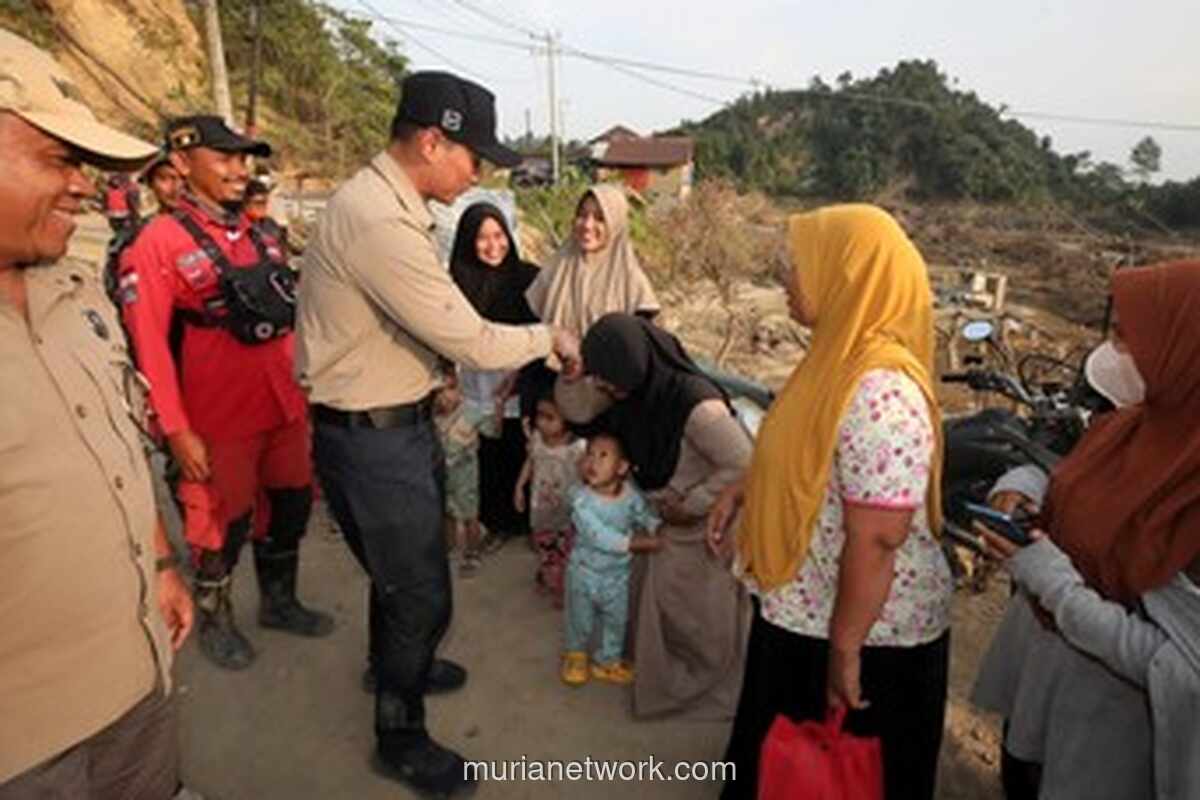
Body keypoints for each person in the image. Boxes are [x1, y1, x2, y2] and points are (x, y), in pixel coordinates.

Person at [295, 70, 580, 796]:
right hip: (372, 440)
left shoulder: (389, 206)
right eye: (473, 157)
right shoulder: (379, 223)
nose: (477, 173)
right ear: (432, 141)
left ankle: (392, 662)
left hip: (384, 422)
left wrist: (430, 372)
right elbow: (475, 340)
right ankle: (401, 732)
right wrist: (551, 338)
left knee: (400, 580)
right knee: (422, 595)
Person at [0, 29, 197, 799]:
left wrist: (157, 559)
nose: (85, 187)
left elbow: (114, 442)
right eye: (60, 159)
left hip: (137, 678)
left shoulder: (75, 289)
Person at [712, 205, 951, 800]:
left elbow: (878, 538)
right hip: (806, 607)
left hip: (863, 635)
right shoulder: (834, 361)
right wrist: (749, 486)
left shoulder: (881, 392)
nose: (788, 280)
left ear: (846, 276)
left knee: (843, 775)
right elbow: (807, 454)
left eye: (800, 265)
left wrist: (845, 652)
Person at [973, 260, 1200, 800]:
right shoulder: (1128, 426)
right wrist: (1023, 484)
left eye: (1129, 335)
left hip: (1113, 742)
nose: (1112, 349)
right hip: (1046, 696)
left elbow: (1178, 668)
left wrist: (1054, 584)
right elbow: (1067, 475)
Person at [119, 114, 332, 671]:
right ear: (183, 164)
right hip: (217, 414)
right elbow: (150, 349)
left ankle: (279, 601)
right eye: (226, 158)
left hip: (283, 402)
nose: (241, 170)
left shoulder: (261, 233)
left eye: (245, 159)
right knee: (221, 522)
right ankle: (216, 618)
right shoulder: (156, 245)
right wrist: (176, 429)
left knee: (289, 504)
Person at [557, 313, 754, 719]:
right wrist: (575, 374)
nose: (606, 388)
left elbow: (743, 463)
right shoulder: (625, 389)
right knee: (660, 608)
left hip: (703, 522)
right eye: (602, 379)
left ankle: (703, 687)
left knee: (697, 619)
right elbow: (577, 411)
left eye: (610, 380)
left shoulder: (696, 405)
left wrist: (692, 505)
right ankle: (664, 677)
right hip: (664, 515)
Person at [449, 202, 540, 542]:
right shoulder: (455, 283)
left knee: (521, 450)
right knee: (488, 455)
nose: (493, 246)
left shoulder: (529, 278)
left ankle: (524, 523)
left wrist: (518, 374)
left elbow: (543, 328)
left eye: (499, 235)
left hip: (520, 380)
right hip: (478, 385)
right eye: (482, 238)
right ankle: (494, 522)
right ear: (467, 242)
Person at [560, 432, 663, 687]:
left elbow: (643, 514)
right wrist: (640, 543)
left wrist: (655, 526)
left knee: (616, 620)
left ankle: (608, 661)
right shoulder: (581, 501)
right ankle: (576, 655)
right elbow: (600, 537)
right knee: (579, 618)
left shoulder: (630, 495)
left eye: (603, 456)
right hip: (583, 574)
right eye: (590, 455)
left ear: (622, 467)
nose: (593, 462)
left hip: (617, 576)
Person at [524, 183, 660, 337]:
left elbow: (638, 344)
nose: (588, 225)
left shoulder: (631, 280)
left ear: (615, 225)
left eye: (600, 218)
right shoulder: (557, 266)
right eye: (582, 215)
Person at [514, 377, 586, 607]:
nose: (542, 423)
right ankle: (548, 576)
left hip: (568, 509)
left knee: (567, 550)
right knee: (545, 545)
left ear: (567, 420)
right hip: (541, 507)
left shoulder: (577, 448)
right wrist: (519, 487)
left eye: (550, 418)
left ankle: (562, 589)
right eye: (540, 416)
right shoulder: (536, 440)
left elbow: (587, 477)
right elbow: (530, 463)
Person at [103, 148, 182, 306]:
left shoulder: (221, 230)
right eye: (165, 178)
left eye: (184, 178)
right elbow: (118, 291)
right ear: (151, 184)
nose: (177, 187)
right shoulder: (134, 237)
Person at [433, 370, 489, 577]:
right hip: (443, 477)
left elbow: (493, 430)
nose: (445, 396)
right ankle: (449, 548)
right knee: (447, 515)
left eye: (451, 388)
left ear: (461, 390)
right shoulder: (432, 418)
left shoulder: (470, 414)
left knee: (469, 517)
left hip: (465, 479)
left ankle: (472, 552)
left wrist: (498, 409)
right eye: (438, 391)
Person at [243, 178, 290, 250]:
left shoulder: (271, 225)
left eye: (265, 202)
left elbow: (281, 253)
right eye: (258, 203)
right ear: (245, 203)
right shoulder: (236, 229)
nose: (263, 207)